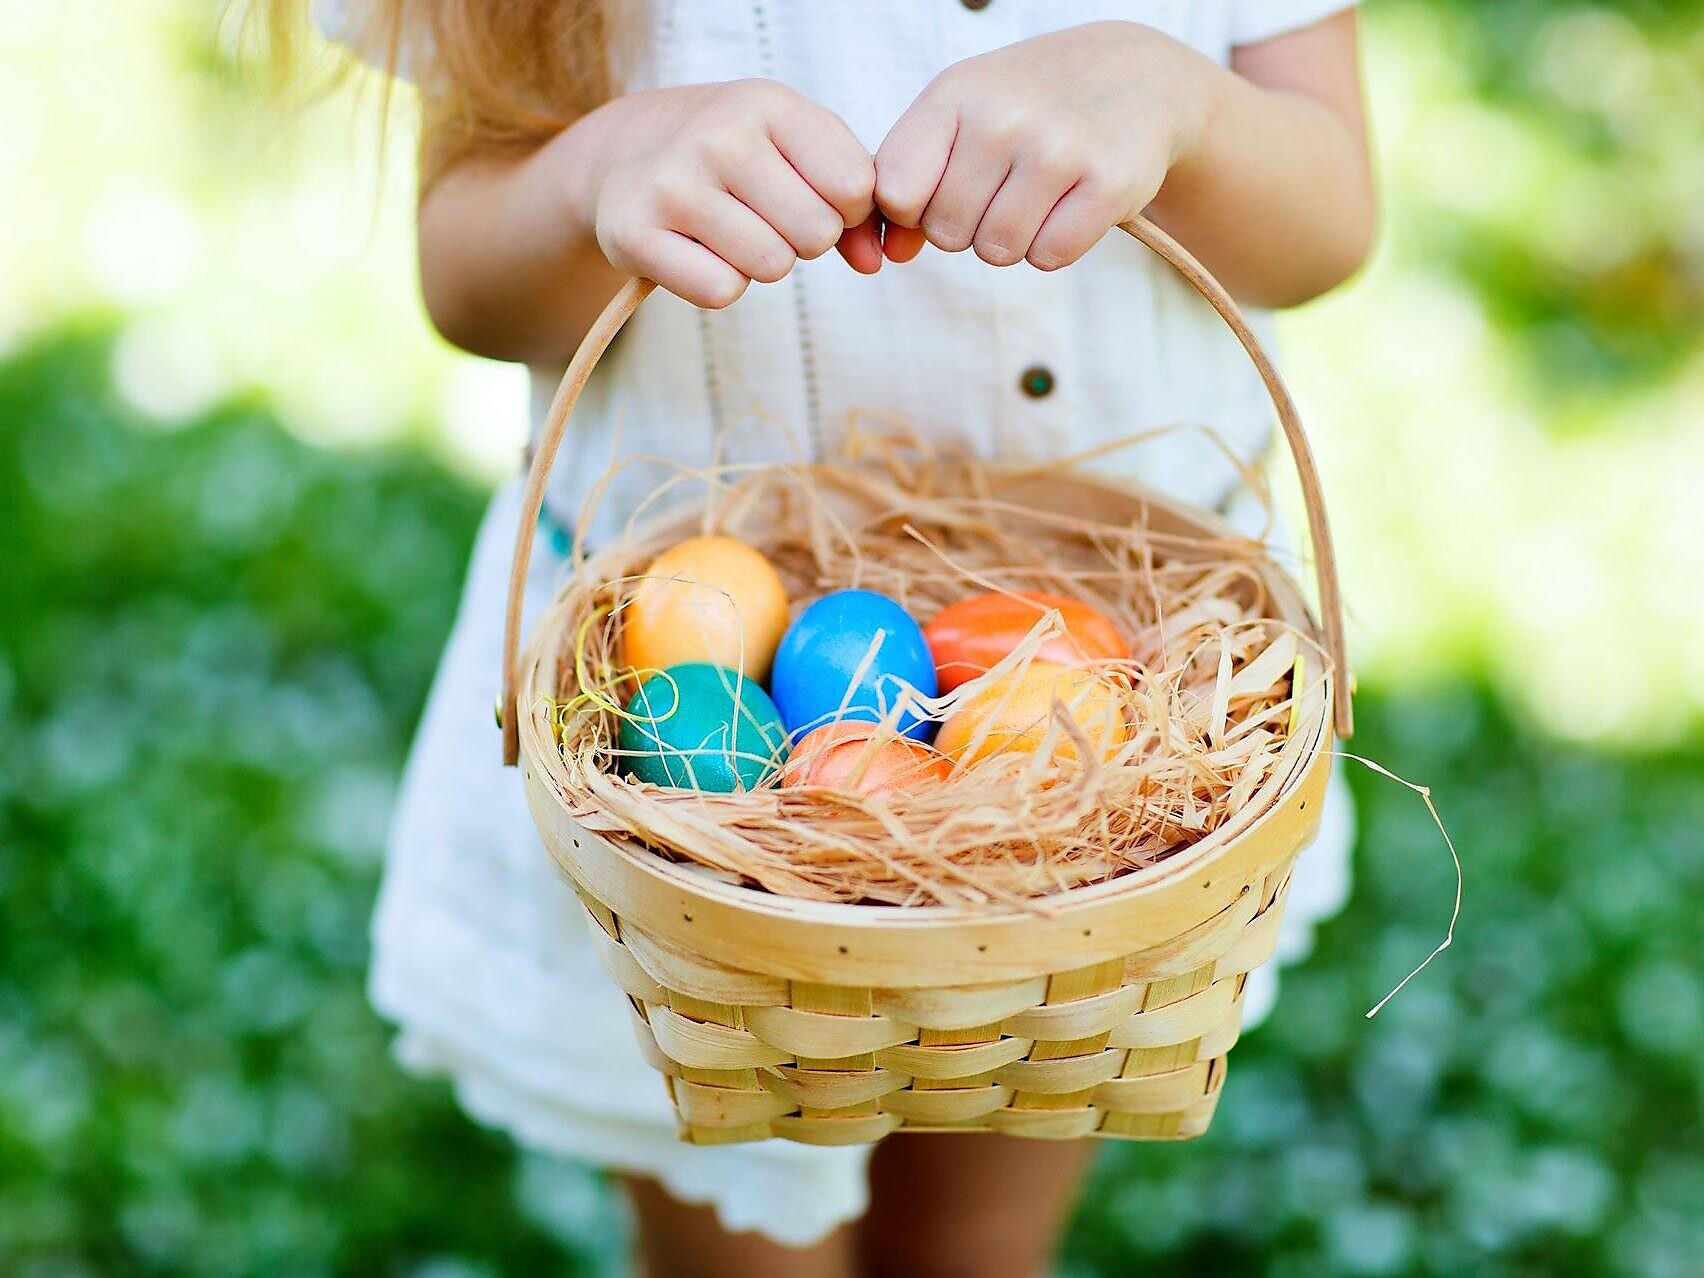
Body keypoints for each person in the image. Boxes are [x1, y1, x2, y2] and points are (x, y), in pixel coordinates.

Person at [290, 2, 1372, 1274]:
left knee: (979, 1233)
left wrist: (1180, 103)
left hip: (1109, 779)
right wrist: (597, 173)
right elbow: (464, 274)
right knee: (738, 1239)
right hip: (694, 854)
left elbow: (1329, 218)